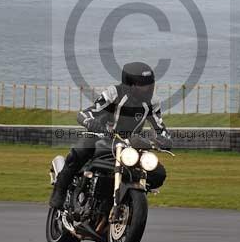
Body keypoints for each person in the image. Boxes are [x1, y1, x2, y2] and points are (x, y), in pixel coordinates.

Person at [49, 61, 172, 209]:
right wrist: (90, 121)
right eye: (143, 85)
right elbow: (87, 112)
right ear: (130, 85)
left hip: (130, 145)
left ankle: (129, 199)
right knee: (82, 149)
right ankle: (60, 190)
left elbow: (160, 127)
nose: (148, 89)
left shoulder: (153, 103)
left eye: (150, 85)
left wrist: (165, 139)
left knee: (158, 173)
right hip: (102, 136)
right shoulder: (114, 93)